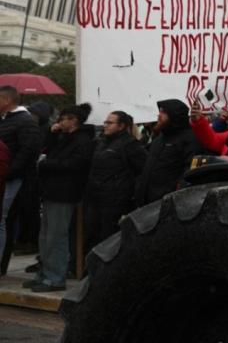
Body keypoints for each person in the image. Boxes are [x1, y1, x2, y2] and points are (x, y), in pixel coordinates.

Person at [26, 104, 94, 292]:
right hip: (52, 191)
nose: (59, 122)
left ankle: (55, 277)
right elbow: (46, 147)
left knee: (56, 237)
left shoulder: (82, 140)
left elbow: (75, 164)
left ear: (73, 120)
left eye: (63, 119)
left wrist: (47, 164)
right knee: (45, 237)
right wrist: (52, 133)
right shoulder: (64, 137)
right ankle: (44, 274)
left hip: (64, 193)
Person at [83, 111, 147, 251]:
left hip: (114, 202)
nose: (105, 125)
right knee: (92, 238)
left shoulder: (130, 145)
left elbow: (142, 170)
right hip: (95, 199)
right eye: (105, 122)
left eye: (110, 123)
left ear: (121, 126)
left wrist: (127, 193)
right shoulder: (101, 143)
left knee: (108, 240)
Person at [0, 86, 44, 263]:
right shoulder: (6, 119)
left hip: (11, 179)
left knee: (1, 220)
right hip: (5, 176)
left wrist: (8, 173)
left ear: (7, 100)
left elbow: (28, 151)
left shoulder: (25, 121)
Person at [133, 99, 202, 206]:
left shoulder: (189, 140)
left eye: (163, 112)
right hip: (146, 204)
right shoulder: (158, 139)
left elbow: (189, 173)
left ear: (175, 116)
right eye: (159, 111)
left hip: (167, 205)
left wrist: (173, 197)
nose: (159, 115)